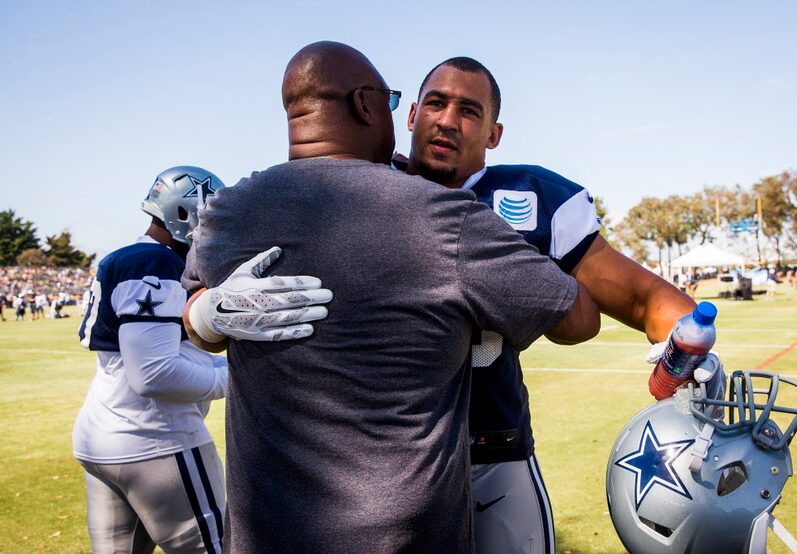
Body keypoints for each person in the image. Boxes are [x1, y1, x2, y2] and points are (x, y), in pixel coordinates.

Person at [195, 56, 724, 553]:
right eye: (435, 103)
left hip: (494, 449)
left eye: (469, 111)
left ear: (493, 133)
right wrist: (203, 312)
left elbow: (635, 294)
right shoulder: (363, 192)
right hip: (381, 471)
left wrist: (687, 339)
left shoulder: (532, 196)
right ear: (408, 116)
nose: (448, 120)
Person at [73, 166, 231, 553]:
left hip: (104, 439)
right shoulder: (155, 264)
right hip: (156, 441)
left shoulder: (126, 257)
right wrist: (237, 376)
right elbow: (154, 374)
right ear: (187, 213)